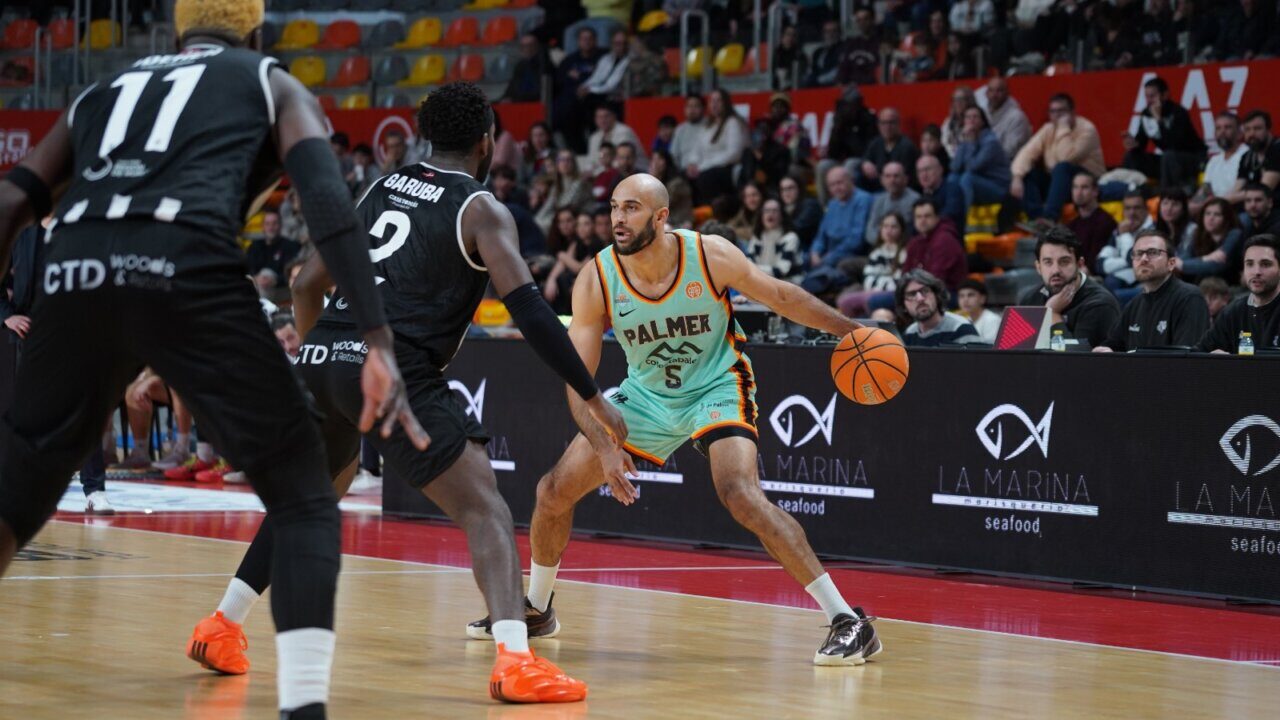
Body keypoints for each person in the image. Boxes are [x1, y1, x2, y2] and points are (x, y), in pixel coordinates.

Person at [0, 1, 425, 716]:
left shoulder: (101, 91)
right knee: (302, 496)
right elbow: (327, 203)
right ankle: (303, 709)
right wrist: (378, 338)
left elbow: (14, 198)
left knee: (14, 497)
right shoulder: (269, 78)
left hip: (75, 268)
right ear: (254, 31)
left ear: (175, 30)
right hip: (183, 259)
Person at [193, 82, 631, 703]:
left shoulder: (380, 185)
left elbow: (303, 282)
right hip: (396, 364)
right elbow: (531, 311)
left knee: (310, 501)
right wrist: (590, 393)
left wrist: (330, 354)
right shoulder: (480, 209)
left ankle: (221, 625)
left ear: (427, 136)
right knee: (487, 509)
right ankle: (515, 660)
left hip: (323, 355)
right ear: (487, 142)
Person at [466, 173, 883, 667]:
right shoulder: (597, 278)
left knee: (740, 495)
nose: (618, 219)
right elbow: (579, 378)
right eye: (616, 208)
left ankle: (848, 621)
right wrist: (604, 446)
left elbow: (781, 296)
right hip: (646, 395)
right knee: (551, 492)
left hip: (716, 385)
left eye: (633, 208)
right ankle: (537, 607)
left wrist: (851, 331)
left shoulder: (709, 254)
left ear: (661, 217)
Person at [1095, 229, 1210, 351]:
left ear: (1171, 263)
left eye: (1153, 252)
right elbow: (1113, 344)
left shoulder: (1189, 298)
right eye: (1138, 253)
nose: (1144, 259)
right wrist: (1105, 351)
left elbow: (1187, 358)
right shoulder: (1134, 304)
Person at [1018, 226, 1122, 348]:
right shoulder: (1029, 299)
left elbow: (1075, 362)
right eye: (1048, 262)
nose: (1055, 270)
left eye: (1064, 261)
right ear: (1038, 267)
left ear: (1080, 264)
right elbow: (1013, 354)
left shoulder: (1100, 304)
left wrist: (1052, 313)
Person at [1010, 94, 1106, 221]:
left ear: (1072, 112)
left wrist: (1063, 128)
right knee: (1029, 174)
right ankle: (1037, 219)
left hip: (1086, 179)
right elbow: (1026, 153)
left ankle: (1050, 218)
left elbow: (1066, 157)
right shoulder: (1048, 129)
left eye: (1061, 111)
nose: (1057, 115)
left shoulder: (1087, 129)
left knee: (1062, 168)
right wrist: (1017, 177)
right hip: (1059, 181)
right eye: (1053, 111)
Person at [1196, 234, 1280, 353]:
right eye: (1249, 264)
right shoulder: (1233, 311)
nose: (1256, 272)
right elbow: (1198, 354)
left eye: (1265, 264)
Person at [1122, 77, 1206, 191]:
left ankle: (1167, 194)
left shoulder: (1179, 112)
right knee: (1131, 157)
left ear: (1165, 95)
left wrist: (1159, 120)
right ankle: (1131, 192)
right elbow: (1142, 144)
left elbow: (1174, 144)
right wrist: (1134, 144)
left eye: (1153, 96)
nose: (1149, 100)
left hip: (1191, 159)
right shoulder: (1146, 114)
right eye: (1147, 96)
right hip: (1168, 159)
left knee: (1169, 156)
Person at [837, 212, 909, 318]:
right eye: (885, 226)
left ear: (901, 230)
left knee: (851, 301)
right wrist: (878, 285)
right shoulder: (877, 253)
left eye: (894, 227)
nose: (888, 230)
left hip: (890, 293)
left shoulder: (904, 253)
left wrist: (877, 287)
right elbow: (868, 279)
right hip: (872, 290)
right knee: (842, 299)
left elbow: (898, 282)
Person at [950, 106, 1009, 215]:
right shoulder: (967, 138)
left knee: (967, 178)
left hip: (997, 187)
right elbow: (955, 167)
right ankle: (951, 217)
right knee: (952, 178)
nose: (971, 120)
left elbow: (972, 168)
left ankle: (964, 221)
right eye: (968, 117)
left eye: (975, 117)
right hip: (977, 183)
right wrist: (963, 142)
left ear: (982, 122)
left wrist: (970, 143)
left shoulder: (991, 142)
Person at [897, 269, 981, 346]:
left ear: (937, 295)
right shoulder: (909, 333)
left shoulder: (961, 328)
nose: (920, 298)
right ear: (903, 305)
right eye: (911, 294)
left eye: (925, 291)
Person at [902, 199, 967, 293]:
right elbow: (906, 274)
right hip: (920, 292)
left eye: (927, 216)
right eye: (918, 217)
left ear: (937, 217)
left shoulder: (945, 240)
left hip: (946, 294)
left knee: (875, 301)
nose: (922, 220)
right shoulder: (915, 242)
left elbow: (935, 279)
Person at [1097, 190, 1154, 291]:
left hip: (1147, 279)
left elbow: (1133, 259)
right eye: (1128, 208)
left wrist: (1125, 234)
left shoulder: (1153, 230)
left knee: (1111, 283)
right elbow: (1100, 264)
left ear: (1146, 210)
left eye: (1137, 208)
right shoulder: (1119, 230)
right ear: (1123, 211)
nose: (1132, 213)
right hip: (1122, 276)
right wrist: (1125, 261)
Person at [1177, 198, 1243, 282]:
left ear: (1227, 218)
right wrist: (1205, 258)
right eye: (1207, 213)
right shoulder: (1198, 234)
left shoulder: (1235, 234)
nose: (1211, 218)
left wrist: (1183, 265)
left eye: (1217, 214)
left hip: (1229, 286)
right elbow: (1183, 258)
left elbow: (1217, 266)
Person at [1225, 110, 1280, 203]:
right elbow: (1237, 188)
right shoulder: (1247, 156)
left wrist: (1223, 201)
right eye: (1247, 129)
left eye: (1257, 129)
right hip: (1255, 208)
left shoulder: (1277, 149)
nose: (1252, 134)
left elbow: (1263, 190)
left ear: (1268, 130)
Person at [1066, 172, 1118, 270]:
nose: (1078, 192)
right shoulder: (1071, 225)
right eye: (1075, 187)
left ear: (1095, 191)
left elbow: (1094, 263)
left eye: (1084, 187)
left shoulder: (1106, 222)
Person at [860, 108, 920, 191]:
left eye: (891, 122)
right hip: (875, 188)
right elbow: (865, 158)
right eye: (883, 123)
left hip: (899, 191)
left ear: (898, 124)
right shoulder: (876, 143)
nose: (887, 127)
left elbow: (904, 178)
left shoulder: (907, 147)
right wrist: (865, 163)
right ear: (878, 125)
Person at [745, 198, 802, 282]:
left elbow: (781, 271)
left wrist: (754, 269)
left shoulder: (791, 238)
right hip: (764, 282)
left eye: (775, 211)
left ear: (782, 215)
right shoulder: (757, 238)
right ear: (761, 215)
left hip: (789, 283)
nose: (770, 214)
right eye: (767, 210)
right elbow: (747, 263)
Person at [864, 162, 920, 245]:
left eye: (896, 176)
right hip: (881, 246)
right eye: (888, 176)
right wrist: (885, 242)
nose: (892, 180)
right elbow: (870, 230)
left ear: (905, 179)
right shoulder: (879, 200)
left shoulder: (915, 200)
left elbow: (918, 231)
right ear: (882, 180)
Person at [1200, 112, 1246, 203]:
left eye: (1227, 127)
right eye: (1218, 128)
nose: (1222, 132)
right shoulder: (1214, 160)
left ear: (1240, 133)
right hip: (1213, 209)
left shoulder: (1247, 155)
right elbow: (1205, 190)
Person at [982, 76, 1032, 161]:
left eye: (999, 91)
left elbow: (1010, 151)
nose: (994, 95)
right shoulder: (983, 114)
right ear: (986, 93)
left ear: (1007, 93)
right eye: (991, 90)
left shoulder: (1017, 117)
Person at [916, 154, 965, 229]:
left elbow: (950, 215)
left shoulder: (952, 189)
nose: (924, 174)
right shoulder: (922, 197)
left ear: (940, 170)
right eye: (920, 171)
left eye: (927, 169)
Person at [780, 175, 823, 248]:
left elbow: (797, 228)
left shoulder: (810, 205)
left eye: (790, 188)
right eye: (783, 189)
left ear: (799, 189)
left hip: (810, 249)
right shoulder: (783, 209)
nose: (786, 192)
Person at [669, 94, 707, 176]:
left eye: (696, 106)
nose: (692, 110)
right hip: (683, 172)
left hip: (704, 170)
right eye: (689, 106)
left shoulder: (710, 126)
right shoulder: (680, 129)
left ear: (703, 108)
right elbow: (674, 155)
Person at [957, 278, 1001, 343]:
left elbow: (990, 349)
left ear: (982, 299)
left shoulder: (992, 320)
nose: (965, 300)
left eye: (971, 295)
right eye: (961, 296)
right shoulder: (963, 319)